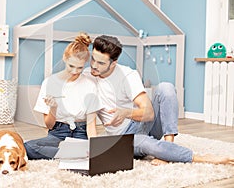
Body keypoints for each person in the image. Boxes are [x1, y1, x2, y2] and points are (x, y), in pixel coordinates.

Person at [83, 34, 234, 165]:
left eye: (101, 63)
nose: (94, 66)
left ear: (113, 63)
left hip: (142, 123)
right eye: (93, 60)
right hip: (123, 138)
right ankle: (198, 157)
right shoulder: (87, 76)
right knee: (150, 146)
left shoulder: (128, 75)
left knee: (166, 87)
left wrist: (124, 113)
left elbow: (148, 114)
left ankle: (168, 148)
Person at [24, 32, 101, 160]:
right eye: (71, 66)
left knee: (93, 151)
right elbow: (49, 125)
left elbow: (91, 125)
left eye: (80, 68)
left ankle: (68, 153)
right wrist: (53, 108)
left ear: (85, 64)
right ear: (65, 58)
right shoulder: (50, 82)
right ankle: (72, 154)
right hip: (58, 132)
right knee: (28, 147)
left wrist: (95, 147)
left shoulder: (90, 85)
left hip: (81, 132)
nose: (75, 71)